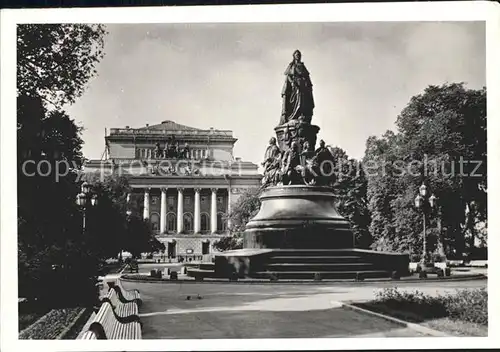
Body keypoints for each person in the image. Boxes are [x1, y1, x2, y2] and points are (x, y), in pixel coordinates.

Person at [279, 50, 315, 125]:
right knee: (296, 98)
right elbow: (288, 76)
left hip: (303, 86)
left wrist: (308, 86)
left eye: (299, 55)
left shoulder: (302, 66)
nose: (298, 56)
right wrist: (292, 82)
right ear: (294, 56)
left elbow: (307, 77)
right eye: (296, 55)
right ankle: (293, 115)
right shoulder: (292, 66)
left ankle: (301, 114)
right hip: (294, 86)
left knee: (303, 100)